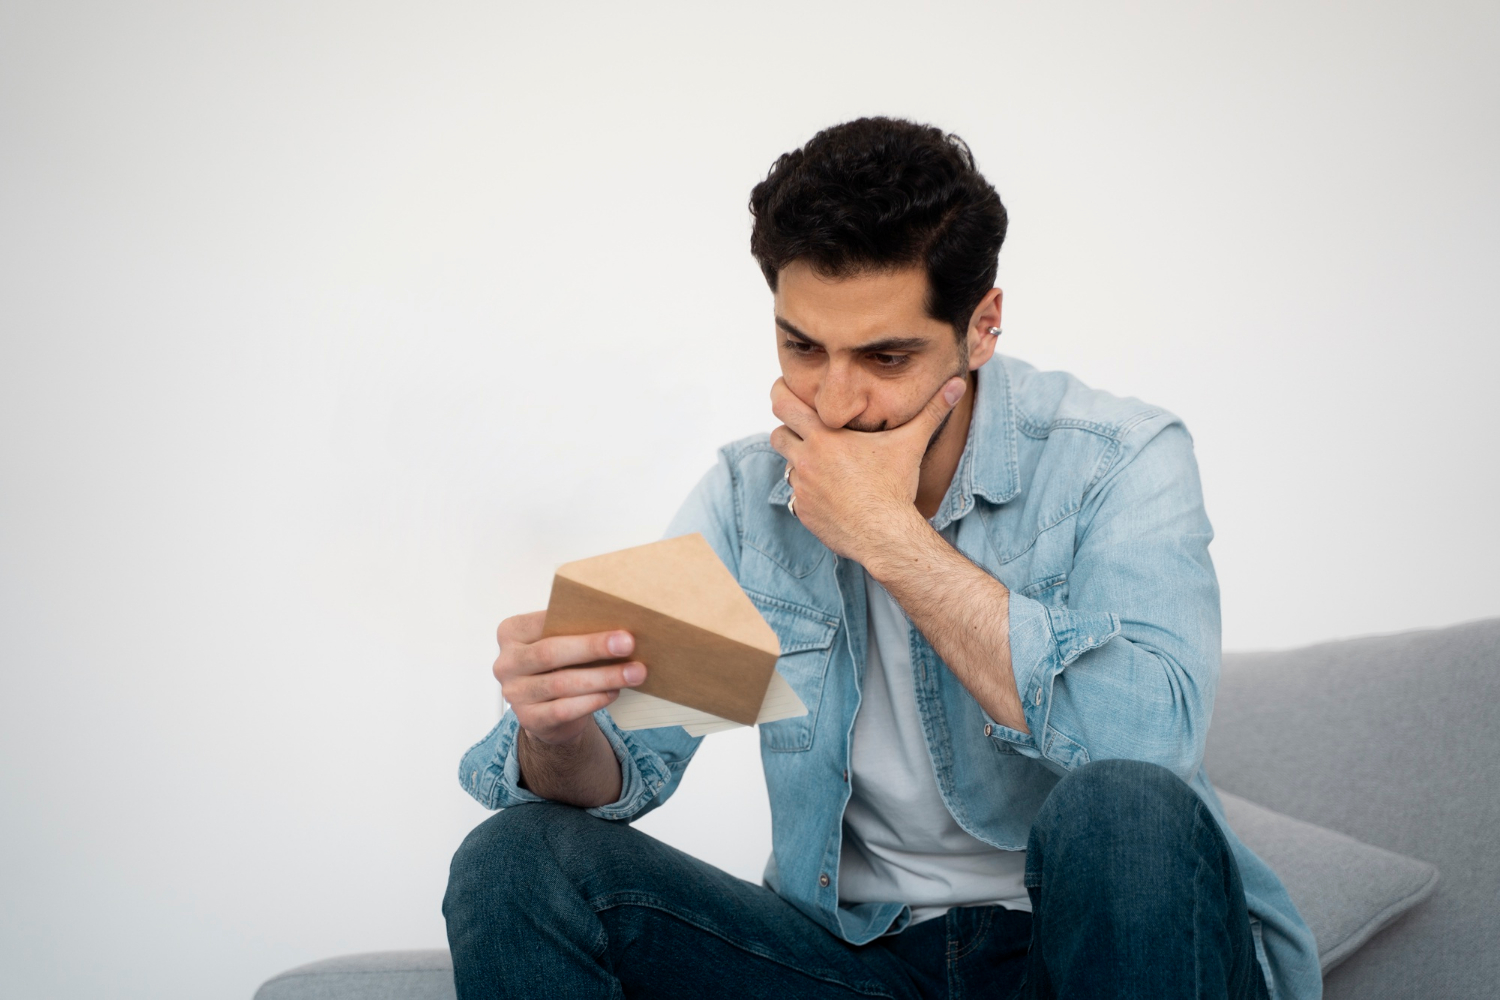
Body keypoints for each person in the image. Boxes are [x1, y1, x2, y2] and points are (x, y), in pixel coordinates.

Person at [443, 117, 1321, 1000]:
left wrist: (893, 540)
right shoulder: (752, 496)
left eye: (886, 356)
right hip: (853, 966)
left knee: (1122, 808)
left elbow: (1149, 751)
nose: (833, 401)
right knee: (517, 858)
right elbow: (621, 773)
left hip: (1089, 953)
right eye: (802, 348)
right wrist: (556, 734)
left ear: (982, 327)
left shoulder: (1119, 458)